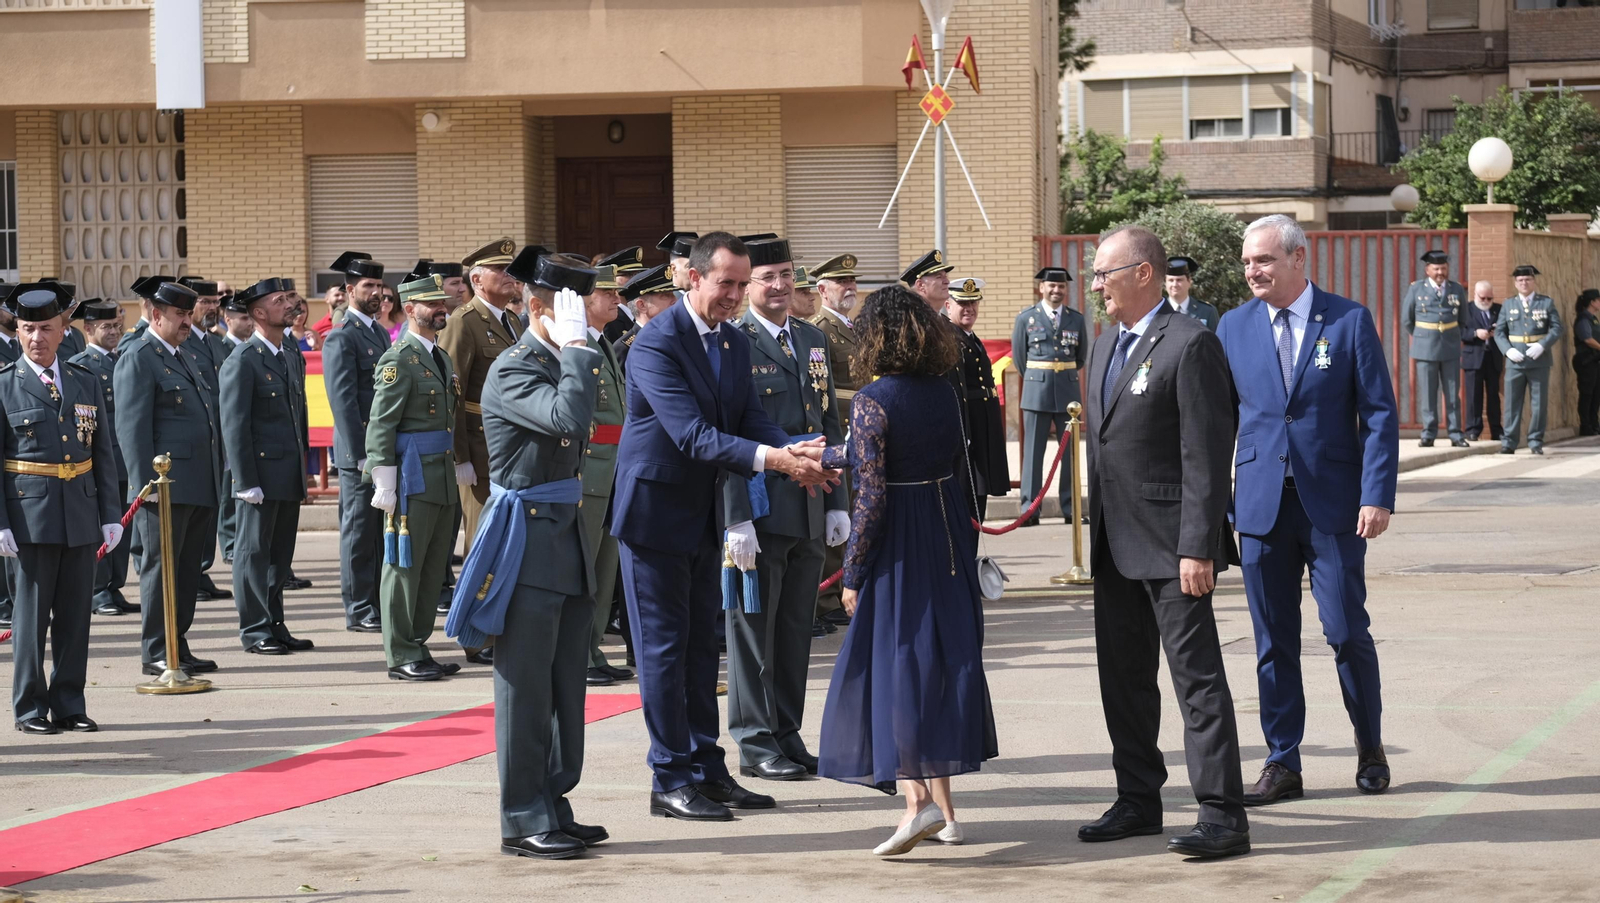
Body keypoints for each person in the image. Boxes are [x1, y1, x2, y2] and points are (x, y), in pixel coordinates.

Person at [611, 232, 834, 821]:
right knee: (662, 652)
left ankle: (708, 771)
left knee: (698, 652)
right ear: (692, 278)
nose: (734, 295)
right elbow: (692, 435)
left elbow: (752, 420)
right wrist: (777, 460)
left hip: (703, 516)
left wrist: (801, 451)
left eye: (741, 284)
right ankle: (669, 778)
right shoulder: (656, 344)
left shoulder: (733, 343)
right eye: (725, 283)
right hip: (655, 517)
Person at [1218, 214, 1399, 807]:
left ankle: (1369, 747)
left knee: (1346, 631)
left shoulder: (1348, 320)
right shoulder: (1232, 327)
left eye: (1264, 260)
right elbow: (1219, 421)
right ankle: (1282, 761)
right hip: (1261, 508)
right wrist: (1216, 504)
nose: (1252, 271)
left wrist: (1376, 494)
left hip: (1333, 509)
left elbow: (1378, 413)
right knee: (1273, 641)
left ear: (1298, 259)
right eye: (1247, 261)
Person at [1080, 225, 1248, 859]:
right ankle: (1137, 798)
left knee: (1196, 682)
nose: (1096, 286)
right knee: (1123, 680)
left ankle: (1223, 813)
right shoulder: (1101, 349)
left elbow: (1205, 454)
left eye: (1105, 274)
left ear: (1143, 273)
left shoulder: (1190, 343)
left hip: (1174, 546)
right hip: (1115, 545)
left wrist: (1199, 545)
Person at [813, 283, 997, 854]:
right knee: (937, 662)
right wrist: (821, 454)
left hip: (900, 543)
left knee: (895, 668)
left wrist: (853, 572)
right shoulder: (943, 391)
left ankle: (916, 803)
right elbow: (894, 456)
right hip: (946, 535)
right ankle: (947, 812)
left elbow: (871, 494)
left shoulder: (872, 399)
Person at [448, 252, 607, 860]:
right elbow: (568, 415)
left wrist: (574, 352)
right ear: (539, 306)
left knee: (566, 686)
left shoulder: (560, 359)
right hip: (525, 542)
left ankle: (553, 802)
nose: (587, 324)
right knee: (524, 689)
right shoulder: (515, 370)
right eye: (576, 310)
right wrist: (576, 351)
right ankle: (522, 816)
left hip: (563, 538)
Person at [722, 235, 847, 780]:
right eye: (767, 277)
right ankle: (753, 741)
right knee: (752, 628)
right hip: (760, 506)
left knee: (795, 627)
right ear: (748, 283)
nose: (778, 287)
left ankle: (785, 730)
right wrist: (735, 516)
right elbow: (725, 436)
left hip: (811, 503)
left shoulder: (812, 338)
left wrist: (839, 500)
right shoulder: (732, 342)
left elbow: (828, 422)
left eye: (786, 275)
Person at [0, 282, 123, 735]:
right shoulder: (4, 387)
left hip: (81, 513)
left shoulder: (83, 380)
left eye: (45, 328)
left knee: (74, 617)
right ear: (18, 332)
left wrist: (110, 512)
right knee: (30, 621)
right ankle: (30, 708)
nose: (37, 337)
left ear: (63, 328)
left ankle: (69, 703)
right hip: (29, 518)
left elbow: (104, 453)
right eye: (28, 329)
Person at [114, 278, 225, 676]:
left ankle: (178, 643)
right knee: (161, 570)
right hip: (164, 488)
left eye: (187, 314)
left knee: (186, 570)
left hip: (196, 483)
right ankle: (157, 650)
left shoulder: (182, 355)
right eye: (179, 314)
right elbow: (132, 429)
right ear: (156, 315)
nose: (185, 321)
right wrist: (146, 486)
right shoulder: (139, 356)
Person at [365, 274, 463, 681]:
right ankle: (400, 652)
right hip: (410, 478)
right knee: (404, 566)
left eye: (443, 303)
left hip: (440, 474)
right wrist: (383, 480)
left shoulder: (440, 357)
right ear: (409, 310)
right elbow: (380, 426)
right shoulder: (398, 360)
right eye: (432, 304)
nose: (441, 309)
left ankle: (419, 644)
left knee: (432, 565)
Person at [218, 278, 313, 656]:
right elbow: (234, 424)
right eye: (280, 300)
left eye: (291, 298)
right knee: (253, 554)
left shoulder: (289, 354)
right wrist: (244, 480)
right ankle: (255, 629)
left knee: (279, 557)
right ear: (258, 313)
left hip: (286, 472)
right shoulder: (242, 359)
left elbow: (297, 418)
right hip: (258, 475)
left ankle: (275, 623)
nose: (290, 304)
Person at [439, 239, 528, 575]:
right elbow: (453, 392)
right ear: (476, 281)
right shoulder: (463, 322)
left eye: (511, 269)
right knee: (483, 538)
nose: (509, 275)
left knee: (509, 536)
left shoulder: (513, 321)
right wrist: (460, 456)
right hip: (480, 451)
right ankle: (477, 623)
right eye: (500, 270)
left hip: (512, 446)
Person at [322, 251, 391, 633]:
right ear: (350, 291)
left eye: (380, 286)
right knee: (358, 533)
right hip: (360, 455)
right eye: (368, 286)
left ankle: (377, 602)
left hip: (383, 449)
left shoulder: (379, 332)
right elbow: (344, 401)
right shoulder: (342, 336)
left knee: (380, 535)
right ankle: (359, 607)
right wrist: (361, 454)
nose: (377, 292)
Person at [574, 265, 634, 686]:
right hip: (590, 467)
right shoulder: (575, 348)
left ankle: (593, 648)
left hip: (614, 466)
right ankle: (578, 652)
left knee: (605, 566)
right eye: (607, 293)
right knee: (585, 567)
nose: (617, 299)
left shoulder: (604, 344)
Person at [69, 301, 138, 617]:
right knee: (101, 526)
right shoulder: (81, 366)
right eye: (105, 327)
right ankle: (98, 590)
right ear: (89, 330)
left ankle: (114, 586)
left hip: (125, 460)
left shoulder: (124, 360)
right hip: (99, 462)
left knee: (122, 527)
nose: (113, 332)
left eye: (116, 326)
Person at [806, 254, 862, 627]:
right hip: (840, 426)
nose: (850, 288)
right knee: (838, 509)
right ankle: (826, 597)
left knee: (854, 511)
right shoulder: (819, 329)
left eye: (852, 281)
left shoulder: (852, 328)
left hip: (859, 428)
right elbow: (821, 388)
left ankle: (846, 585)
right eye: (841, 282)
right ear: (823, 289)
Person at [1011, 266, 1085, 526]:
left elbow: (1080, 357)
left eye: (1061, 286)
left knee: (1070, 455)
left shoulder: (1076, 319)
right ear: (1041, 288)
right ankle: (1030, 510)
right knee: (1033, 454)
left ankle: (1070, 508)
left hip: (1067, 391)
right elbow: (1020, 359)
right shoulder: (1026, 319)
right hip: (1036, 391)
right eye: (1051, 286)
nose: (1057, 290)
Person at [177, 276, 235, 603]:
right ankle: (191, 574)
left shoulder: (216, 342)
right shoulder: (181, 343)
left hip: (217, 440)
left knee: (210, 511)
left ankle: (201, 570)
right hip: (192, 445)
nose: (212, 308)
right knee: (193, 513)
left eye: (215, 302)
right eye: (205, 302)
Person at [946, 279, 1008, 522]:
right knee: (966, 495)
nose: (969, 308)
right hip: (967, 421)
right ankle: (963, 558)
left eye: (973, 302)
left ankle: (969, 555)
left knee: (977, 495)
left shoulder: (970, 337)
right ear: (949, 305)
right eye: (962, 303)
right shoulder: (949, 338)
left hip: (983, 424)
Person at [1403, 250, 1468, 448]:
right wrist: (1423, 336)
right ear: (1428, 270)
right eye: (1436, 268)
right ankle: (1428, 433)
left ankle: (1456, 434)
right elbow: (1407, 320)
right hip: (1425, 348)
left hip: (1450, 347)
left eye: (1443, 268)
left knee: (1452, 394)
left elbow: (1463, 319)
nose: (1440, 272)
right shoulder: (1416, 289)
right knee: (1429, 394)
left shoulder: (1456, 289)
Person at [1496, 265, 1564, 455]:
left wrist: (1543, 344)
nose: (1524, 283)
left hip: (1539, 360)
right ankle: (1509, 442)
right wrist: (1507, 350)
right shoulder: (1508, 304)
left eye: (1527, 280)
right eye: (1520, 280)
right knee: (1511, 404)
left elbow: (1557, 328)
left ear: (1534, 281)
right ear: (1515, 283)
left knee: (1539, 404)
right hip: (1515, 360)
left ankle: (1535, 441)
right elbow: (1499, 332)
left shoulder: (1546, 303)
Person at [614, 265, 678, 373]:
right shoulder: (624, 348)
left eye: (673, 294)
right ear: (642, 305)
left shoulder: (676, 337)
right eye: (666, 295)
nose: (675, 300)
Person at [1460, 281, 1503, 442]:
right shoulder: (1467, 309)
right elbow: (1459, 331)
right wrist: (1475, 333)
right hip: (1473, 357)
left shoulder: (1499, 310)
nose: (1486, 301)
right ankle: (1472, 430)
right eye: (1482, 298)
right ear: (1476, 295)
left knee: (1493, 396)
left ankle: (1496, 430)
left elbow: (1506, 328)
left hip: (1493, 357)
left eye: (1489, 298)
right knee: (1473, 396)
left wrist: (1495, 333)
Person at [1165, 256, 1220, 330]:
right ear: (1165, 283)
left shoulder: (1207, 312)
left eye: (1179, 280)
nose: (1175, 285)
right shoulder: (1157, 311)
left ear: (1189, 281)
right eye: (1171, 280)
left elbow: (1216, 341)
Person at [1574, 290, 1600, 436]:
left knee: (1596, 394)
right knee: (1587, 394)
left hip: (1594, 360)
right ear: (1592, 302)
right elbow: (1587, 339)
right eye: (1598, 299)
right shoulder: (1584, 318)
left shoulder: (1593, 318)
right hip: (1585, 360)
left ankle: (1594, 424)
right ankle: (1586, 426)